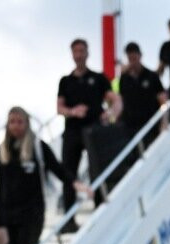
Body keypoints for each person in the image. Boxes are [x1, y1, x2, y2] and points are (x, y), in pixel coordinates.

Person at [0, 106, 87, 244]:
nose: (15, 126)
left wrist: (75, 183)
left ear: (27, 124)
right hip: (8, 214)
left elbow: (57, 168)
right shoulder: (4, 150)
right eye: (12, 122)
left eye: (20, 122)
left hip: (31, 212)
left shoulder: (37, 147)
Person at [56, 37, 122, 230]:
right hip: (72, 132)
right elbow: (59, 108)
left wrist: (110, 114)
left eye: (81, 51)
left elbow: (115, 100)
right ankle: (69, 220)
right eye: (75, 51)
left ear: (87, 53)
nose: (79, 55)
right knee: (69, 173)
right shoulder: (66, 81)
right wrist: (73, 111)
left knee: (97, 171)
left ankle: (100, 212)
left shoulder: (99, 78)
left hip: (94, 131)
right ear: (72, 54)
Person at [119, 41, 167, 144]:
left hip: (150, 124)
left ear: (140, 56)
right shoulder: (124, 78)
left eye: (134, 58)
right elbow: (121, 100)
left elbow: (163, 99)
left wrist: (164, 122)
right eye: (130, 59)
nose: (133, 62)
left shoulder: (152, 76)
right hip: (129, 125)